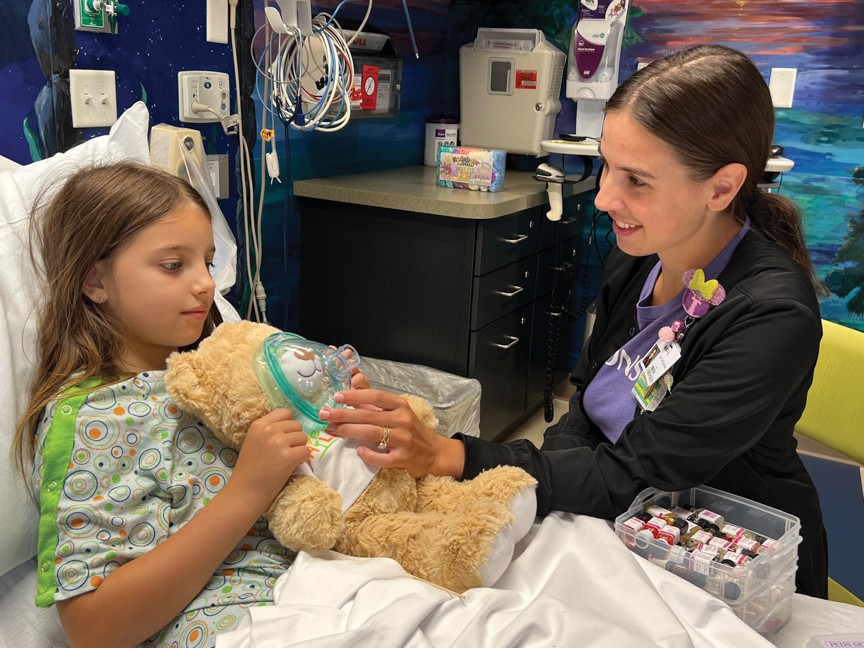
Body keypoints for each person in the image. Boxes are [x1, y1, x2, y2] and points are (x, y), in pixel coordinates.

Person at [319, 44, 829, 598]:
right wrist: (508, 484)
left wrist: (455, 455)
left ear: (723, 187)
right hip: (620, 522)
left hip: (723, 556)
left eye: (636, 180)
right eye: (606, 165)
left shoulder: (772, 316)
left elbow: (638, 472)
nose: (605, 197)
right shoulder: (638, 259)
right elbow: (587, 410)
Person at [13, 162, 315, 647]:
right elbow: (94, 629)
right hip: (237, 624)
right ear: (95, 282)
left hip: (320, 586)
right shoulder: (97, 415)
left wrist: (331, 411)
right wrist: (246, 492)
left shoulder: (223, 369)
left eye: (208, 263)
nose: (206, 285)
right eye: (174, 266)